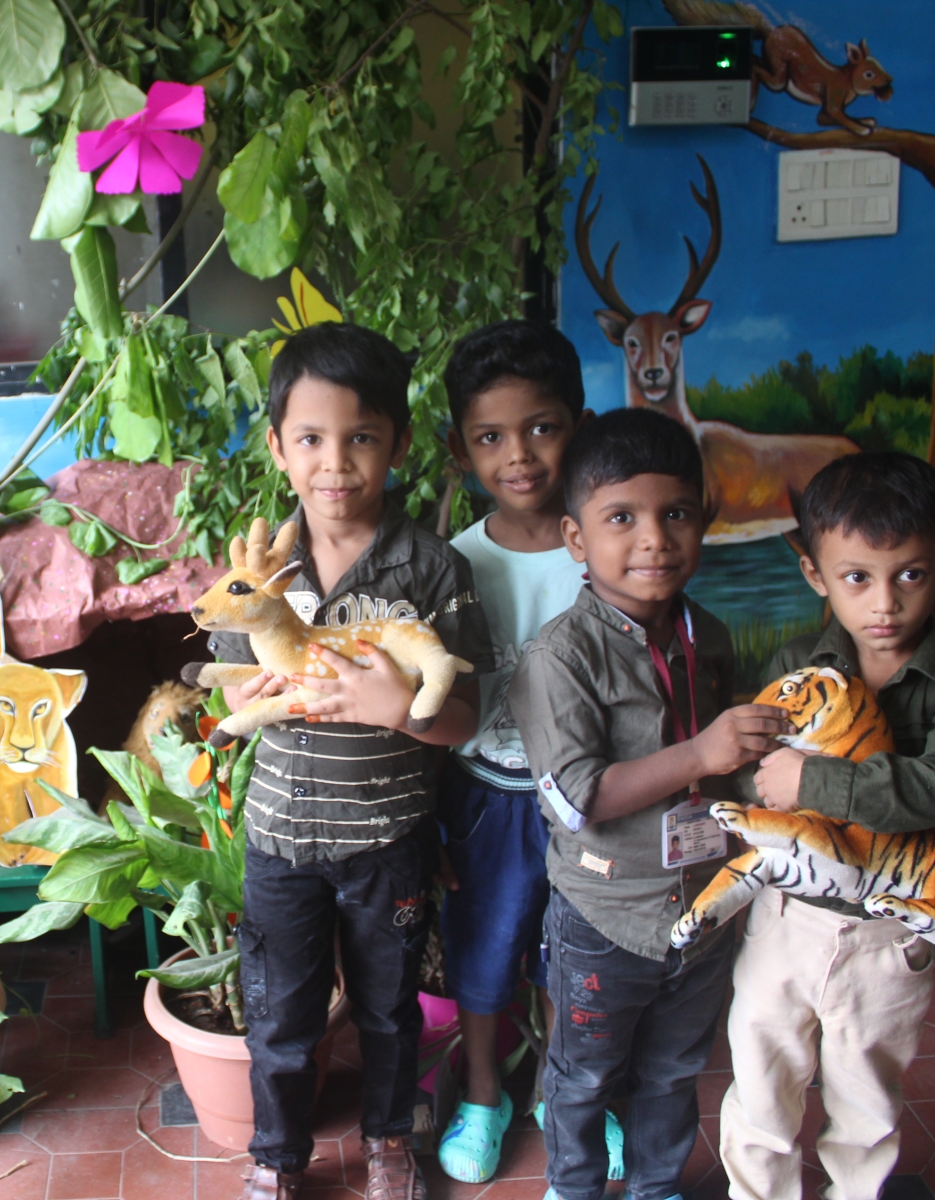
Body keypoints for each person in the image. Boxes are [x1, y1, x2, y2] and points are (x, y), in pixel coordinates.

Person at [206, 322, 494, 1200]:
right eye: (311, 439)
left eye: (361, 438)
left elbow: (469, 717)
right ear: (278, 448)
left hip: (388, 842)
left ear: (398, 445)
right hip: (279, 841)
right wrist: (247, 691)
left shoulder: (433, 569)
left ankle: (389, 1140)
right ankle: (277, 1155)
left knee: (389, 1006)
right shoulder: (260, 573)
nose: (335, 463)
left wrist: (399, 708)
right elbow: (229, 690)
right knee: (279, 1011)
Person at [509, 408, 790, 1200]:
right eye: (622, 518)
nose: (655, 540)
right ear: (575, 538)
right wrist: (701, 755)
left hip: (704, 906)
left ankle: (656, 1186)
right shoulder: (559, 658)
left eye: (677, 514)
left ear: (706, 520)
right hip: (607, 916)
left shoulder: (711, 636)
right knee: (584, 1074)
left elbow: (734, 768)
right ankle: (573, 1187)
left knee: (675, 1068)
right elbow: (579, 800)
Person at [718, 452, 935, 1200]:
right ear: (815, 574)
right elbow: (754, 775)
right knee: (761, 1085)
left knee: (867, 1105)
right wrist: (761, 788)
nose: (885, 602)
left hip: (888, 936)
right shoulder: (794, 662)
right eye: (857, 578)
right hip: (786, 918)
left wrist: (815, 782)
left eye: (910, 574)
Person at [430, 321, 605, 1185]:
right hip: (486, 799)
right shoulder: (453, 565)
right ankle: (481, 1093)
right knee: (485, 953)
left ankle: (566, 1098)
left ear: (581, 425)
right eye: (491, 437)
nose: (520, 456)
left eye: (542, 428)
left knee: (576, 958)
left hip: (593, 802)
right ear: (460, 450)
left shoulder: (609, 552)